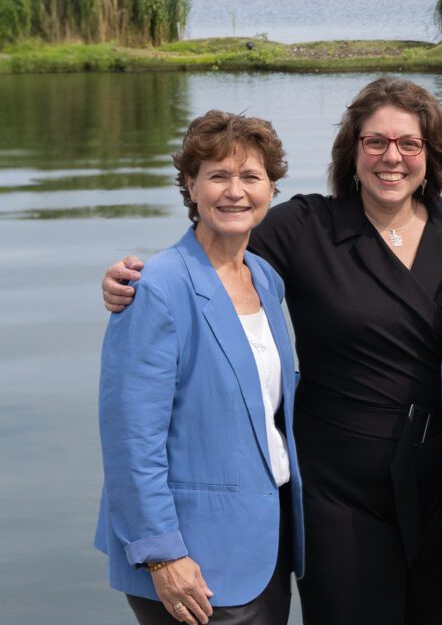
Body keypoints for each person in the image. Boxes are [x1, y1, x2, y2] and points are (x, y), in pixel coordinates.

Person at [102, 78, 442, 625]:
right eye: (374, 142)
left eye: (409, 143)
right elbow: (211, 254)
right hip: (340, 490)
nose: (391, 157)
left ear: (431, 154)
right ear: (352, 152)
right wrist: (126, 281)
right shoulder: (306, 227)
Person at [97, 111, 304, 625]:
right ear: (191, 186)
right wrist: (163, 553)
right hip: (191, 559)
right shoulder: (157, 288)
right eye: (218, 176)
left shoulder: (265, 278)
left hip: (266, 544)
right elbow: (130, 438)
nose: (235, 192)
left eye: (250, 177)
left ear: (272, 189)